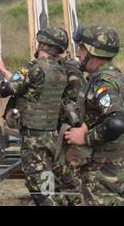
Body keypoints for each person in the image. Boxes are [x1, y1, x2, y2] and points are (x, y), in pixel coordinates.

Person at [0, 27, 67, 205]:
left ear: (43, 44)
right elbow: (31, 88)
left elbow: (4, 89)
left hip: (34, 137)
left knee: (38, 185)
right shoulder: (60, 70)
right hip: (51, 135)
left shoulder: (33, 67)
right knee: (47, 179)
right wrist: (5, 71)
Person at [64, 26, 124, 206]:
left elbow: (116, 122)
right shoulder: (116, 76)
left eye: (81, 49)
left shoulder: (103, 83)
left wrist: (85, 137)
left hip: (105, 175)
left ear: (94, 52)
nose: (79, 54)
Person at [53, 28, 88, 206]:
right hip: (64, 131)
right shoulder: (61, 68)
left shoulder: (70, 70)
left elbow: (76, 102)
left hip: (70, 132)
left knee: (69, 176)